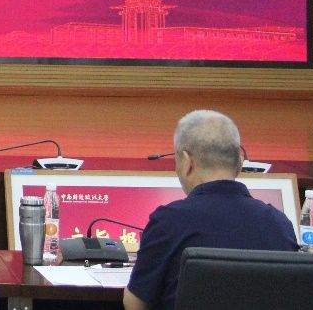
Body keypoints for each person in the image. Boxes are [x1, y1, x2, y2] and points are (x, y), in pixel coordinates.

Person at [123, 109, 298, 310]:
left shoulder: (168, 221)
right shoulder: (279, 224)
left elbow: (136, 303)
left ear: (187, 162)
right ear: (240, 164)